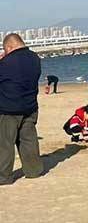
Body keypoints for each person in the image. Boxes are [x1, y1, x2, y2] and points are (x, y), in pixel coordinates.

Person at [0, 33, 44, 186]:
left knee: (5, 144)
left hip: (8, 109)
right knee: (28, 140)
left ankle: (3, 176)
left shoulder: (6, 63)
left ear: (9, 47)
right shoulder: (35, 58)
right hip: (30, 106)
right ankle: (33, 170)